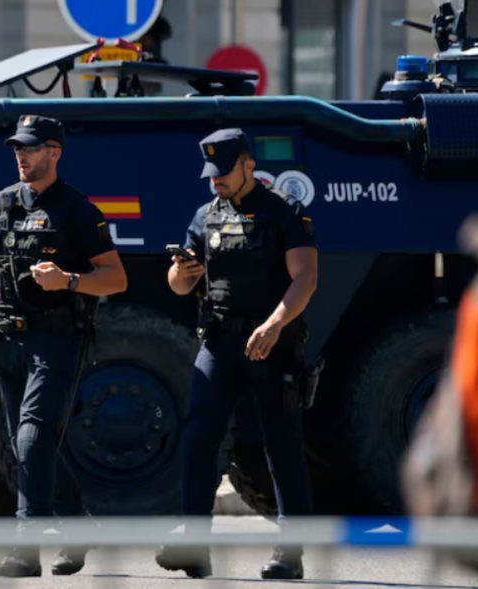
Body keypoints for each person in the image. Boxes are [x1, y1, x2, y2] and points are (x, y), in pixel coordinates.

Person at [0, 114, 128, 578]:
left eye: (31, 148)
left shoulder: (78, 210)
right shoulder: (0, 206)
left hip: (57, 339)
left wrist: (70, 280)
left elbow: (116, 279)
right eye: (17, 147)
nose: (21, 155)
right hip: (9, 341)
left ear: (54, 153)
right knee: (29, 447)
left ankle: (25, 547)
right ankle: (77, 527)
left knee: (34, 441)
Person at [161, 128, 318, 580]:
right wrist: (182, 273)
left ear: (249, 164)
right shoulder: (204, 216)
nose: (216, 181)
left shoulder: (285, 213)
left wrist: (274, 325)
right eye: (210, 174)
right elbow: (178, 286)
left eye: (224, 172)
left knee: (282, 444)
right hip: (218, 343)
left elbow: (305, 278)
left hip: (273, 344)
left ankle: (290, 552)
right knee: (198, 438)